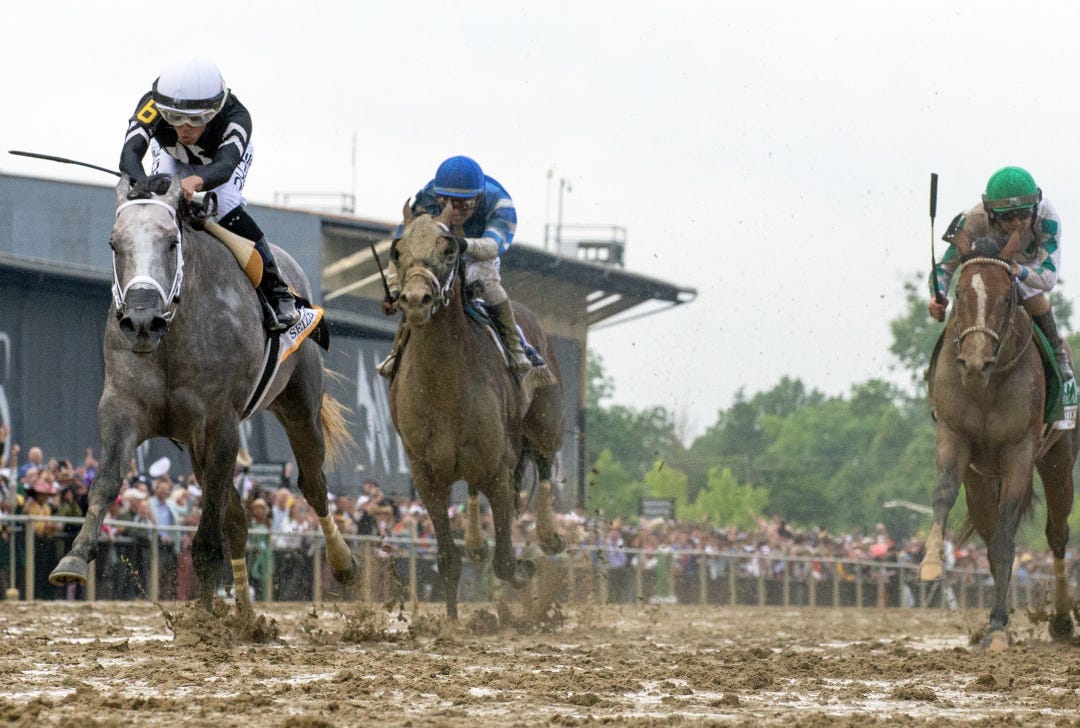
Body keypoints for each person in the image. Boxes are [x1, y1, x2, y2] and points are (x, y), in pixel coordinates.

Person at [118, 56, 299, 332]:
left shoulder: (237, 118)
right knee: (154, 204)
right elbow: (129, 156)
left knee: (225, 204)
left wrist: (198, 180)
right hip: (170, 156)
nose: (183, 129)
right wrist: (143, 183)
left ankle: (278, 291)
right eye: (173, 118)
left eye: (195, 119)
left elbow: (225, 167)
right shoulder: (151, 104)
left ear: (214, 112)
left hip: (217, 163)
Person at [378, 156, 552, 388]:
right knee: (417, 289)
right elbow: (401, 249)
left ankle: (514, 348)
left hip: (478, 252)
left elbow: (491, 247)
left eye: (462, 204)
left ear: (478, 199)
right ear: (437, 195)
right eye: (445, 201)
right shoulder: (426, 198)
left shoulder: (500, 205)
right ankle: (396, 352)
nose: (452, 210)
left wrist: (464, 245)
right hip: (437, 254)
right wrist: (394, 290)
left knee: (489, 284)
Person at [929, 166, 1073, 385]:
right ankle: (939, 367)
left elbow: (1048, 279)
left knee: (1030, 292)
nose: (1017, 223)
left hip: (1029, 265)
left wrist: (1019, 270)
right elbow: (944, 268)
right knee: (970, 291)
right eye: (1007, 217)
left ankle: (1058, 354)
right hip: (990, 262)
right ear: (991, 213)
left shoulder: (1048, 219)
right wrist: (937, 295)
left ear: (1035, 207)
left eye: (1024, 214)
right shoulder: (974, 220)